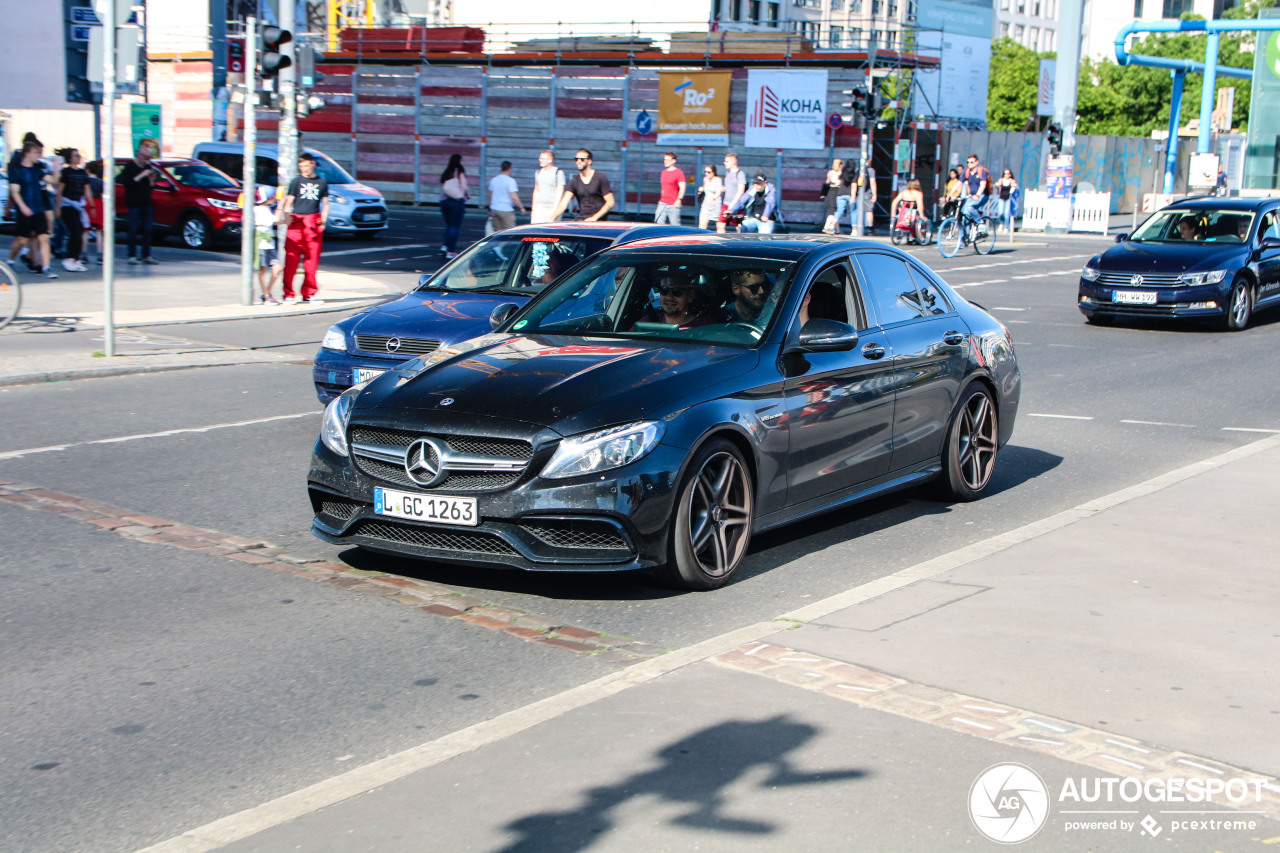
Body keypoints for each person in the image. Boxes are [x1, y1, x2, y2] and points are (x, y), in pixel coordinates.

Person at [281, 152, 330, 304]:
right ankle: (288, 294)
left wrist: (323, 220)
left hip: (313, 222)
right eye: (301, 166)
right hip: (297, 221)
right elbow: (288, 201)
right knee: (291, 260)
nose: (304, 169)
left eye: (306, 166)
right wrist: (286, 215)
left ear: (312, 164)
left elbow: (326, 204)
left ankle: (309, 293)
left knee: (312, 260)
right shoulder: (296, 181)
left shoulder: (322, 182)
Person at [7, 139, 57, 278]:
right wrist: (22, 207)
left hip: (38, 208)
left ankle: (46, 268)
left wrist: (56, 166)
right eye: (37, 152)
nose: (39, 155)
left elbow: (53, 181)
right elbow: (15, 191)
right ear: (27, 153)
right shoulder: (17, 171)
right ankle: (10, 260)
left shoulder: (37, 170)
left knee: (44, 237)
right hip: (25, 210)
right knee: (22, 240)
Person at [119, 140, 161, 265]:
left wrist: (151, 181)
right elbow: (128, 183)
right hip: (134, 204)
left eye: (149, 157)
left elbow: (150, 187)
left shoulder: (148, 167)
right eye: (146, 157)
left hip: (147, 203)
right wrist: (142, 175)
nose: (147, 160)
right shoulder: (130, 167)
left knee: (147, 230)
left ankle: (146, 255)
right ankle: (132, 255)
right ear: (139, 155)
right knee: (133, 229)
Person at [54, 148, 93, 272]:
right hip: (67, 205)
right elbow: (60, 190)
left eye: (79, 155)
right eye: (75, 156)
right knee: (75, 230)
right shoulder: (66, 172)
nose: (78, 157)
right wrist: (58, 207)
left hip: (78, 205)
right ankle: (70, 258)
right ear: (70, 158)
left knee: (80, 231)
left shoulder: (83, 172)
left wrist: (92, 206)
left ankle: (76, 259)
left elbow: (87, 190)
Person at [552, 149, 614, 222]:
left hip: (598, 221)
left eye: (582, 159)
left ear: (589, 161)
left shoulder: (600, 178)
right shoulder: (574, 181)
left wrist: (595, 218)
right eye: (576, 159)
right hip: (581, 220)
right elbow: (563, 204)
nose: (578, 161)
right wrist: (552, 218)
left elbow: (610, 202)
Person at [633, 273, 713, 329]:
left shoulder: (705, 327)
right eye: (664, 290)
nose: (669, 297)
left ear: (690, 296)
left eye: (677, 291)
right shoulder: (647, 323)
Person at [252, 186, 282, 304]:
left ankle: (267, 294)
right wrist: (280, 205)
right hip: (262, 243)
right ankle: (266, 295)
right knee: (263, 270)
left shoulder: (266, 208)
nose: (275, 198)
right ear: (267, 198)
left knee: (278, 268)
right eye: (273, 196)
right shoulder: (259, 209)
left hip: (269, 243)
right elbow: (273, 220)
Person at [439, 154, 468, 258]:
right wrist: (466, 194)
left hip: (444, 201)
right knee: (454, 226)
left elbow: (444, 186)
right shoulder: (459, 171)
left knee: (449, 225)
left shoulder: (447, 172)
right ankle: (451, 251)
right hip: (456, 201)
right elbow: (463, 186)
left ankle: (445, 246)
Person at [488, 160, 525, 233]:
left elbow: (491, 196)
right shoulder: (510, 181)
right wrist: (521, 207)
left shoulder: (494, 180)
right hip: (506, 209)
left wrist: (489, 208)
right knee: (510, 232)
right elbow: (514, 197)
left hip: (495, 209)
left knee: (497, 233)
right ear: (509, 169)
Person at [530, 150, 565, 224]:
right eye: (540, 158)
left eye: (543, 158)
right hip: (540, 208)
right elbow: (536, 191)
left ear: (550, 160)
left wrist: (555, 211)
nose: (540, 160)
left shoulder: (558, 172)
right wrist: (534, 209)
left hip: (552, 207)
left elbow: (559, 193)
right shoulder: (538, 172)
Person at [717, 152, 747, 234]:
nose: (724, 163)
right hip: (725, 203)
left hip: (736, 205)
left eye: (727, 161)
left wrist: (732, 205)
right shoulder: (727, 173)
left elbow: (741, 190)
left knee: (737, 226)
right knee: (720, 224)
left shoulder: (740, 174)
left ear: (733, 162)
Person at [654, 152, 686, 225]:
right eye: (665, 160)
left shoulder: (679, 172)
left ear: (673, 161)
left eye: (668, 160)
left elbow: (682, 187)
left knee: (675, 224)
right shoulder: (663, 172)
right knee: (658, 222)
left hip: (673, 203)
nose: (665, 162)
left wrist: (679, 199)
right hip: (663, 202)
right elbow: (663, 187)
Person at [960, 153, 992, 225]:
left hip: (982, 195)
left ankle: (980, 223)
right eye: (968, 162)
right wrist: (950, 194)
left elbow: (983, 185)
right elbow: (959, 183)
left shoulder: (981, 171)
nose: (969, 164)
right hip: (971, 196)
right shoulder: (967, 171)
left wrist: (977, 195)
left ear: (977, 162)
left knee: (970, 207)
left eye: (972, 162)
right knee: (964, 214)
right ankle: (965, 235)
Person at [822, 158, 846, 235]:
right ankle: (826, 227)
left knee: (834, 211)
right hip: (836, 191)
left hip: (830, 191)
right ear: (840, 165)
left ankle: (838, 230)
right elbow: (838, 183)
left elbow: (827, 182)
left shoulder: (830, 172)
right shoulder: (840, 173)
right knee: (833, 212)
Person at [697, 165, 723, 231]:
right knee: (702, 224)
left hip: (715, 203)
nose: (706, 174)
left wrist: (713, 198)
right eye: (705, 172)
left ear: (713, 172)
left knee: (719, 225)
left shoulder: (718, 180)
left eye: (709, 172)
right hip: (706, 203)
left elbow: (718, 191)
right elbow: (705, 188)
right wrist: (701, 189)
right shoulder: (705, 179)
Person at [995, 168, 1019, 233]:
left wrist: (1014, 185)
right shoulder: (1001, 180)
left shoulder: (1011, 181)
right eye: (1005, 173)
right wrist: (997, 185)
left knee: (1006, 213)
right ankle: (1001, 223)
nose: (1006, 175)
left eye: (1008, 173)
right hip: (1001, 197)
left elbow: (1017, 187)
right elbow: (997, 185)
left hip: (1008, 198)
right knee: (1000, 212)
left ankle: (1006, 227)